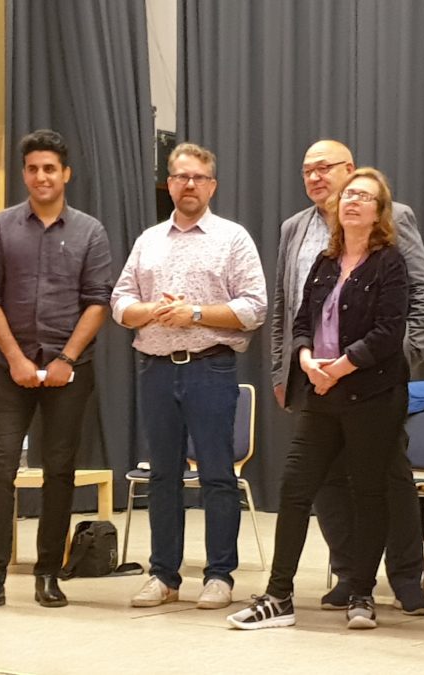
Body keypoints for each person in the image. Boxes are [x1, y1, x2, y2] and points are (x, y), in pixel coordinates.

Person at [228, 168, 410, 630]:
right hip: (320, 391)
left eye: (364, 196)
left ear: (379, 211)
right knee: (295, 488)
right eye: (348, 195)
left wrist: (343, 366)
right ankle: (278, 595)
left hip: (371, 393)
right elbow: (303, 320)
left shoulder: (390, 261)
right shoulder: (326, 261)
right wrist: (307, 358)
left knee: (369, 491)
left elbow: (390, 331)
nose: (352, 202)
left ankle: (362, 595)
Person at [270, 139, 424, 615]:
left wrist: (400, 356)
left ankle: (406, 576)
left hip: (374, 379)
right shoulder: (295, 229)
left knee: (387, 477)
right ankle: (350, 575)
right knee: (324, 483)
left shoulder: (393, 218)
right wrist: (286, 368)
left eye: (325, 168)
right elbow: (290, 309)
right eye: (307, 169)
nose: (316, 177)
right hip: (314, 379)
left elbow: (422, 293)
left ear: (351, 171)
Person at [111, 142, 267, 611]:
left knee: (218, 476)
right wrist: (151, 311)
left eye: (198, 177)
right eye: (180, 177)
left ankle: (219, 575)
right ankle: (163, 575)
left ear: (212, 185)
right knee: (163, 477)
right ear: (170, 184)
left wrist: (194, 313)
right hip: (156, 370)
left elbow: (254, 307)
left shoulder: (232, 237)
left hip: (210, 368)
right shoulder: (148, 240)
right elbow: (119, 302)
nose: (189, 184)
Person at [0, 129, 114, 612]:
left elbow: (98, 302)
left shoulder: (90, 231)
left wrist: (64, 361)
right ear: (24, 174)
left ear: (65, 174)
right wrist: (16, 360)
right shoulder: (1, 227)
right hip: (9, 368)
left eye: (50, 168)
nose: (41, 176)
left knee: (60, 473)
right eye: (33, 168)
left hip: (70, 372)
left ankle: (49, 573)